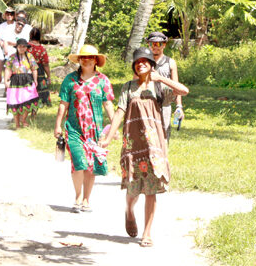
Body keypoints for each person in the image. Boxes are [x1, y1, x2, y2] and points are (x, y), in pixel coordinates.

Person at [100, 47, 189, 248]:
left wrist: (161, 79)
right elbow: (120, 112)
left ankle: (147, 233)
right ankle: (129, 211)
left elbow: (184, 91)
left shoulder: (160, 89)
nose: (141, 64)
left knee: (151, 190)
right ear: (134, 66)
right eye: (138, 62)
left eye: (145, 61)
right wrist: (108, 136)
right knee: (133, 190)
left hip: (155, 144)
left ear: (151, 65)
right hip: (133, 144)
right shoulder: (128, 87)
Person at [54, 45, 115, 213]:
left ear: (96, 60)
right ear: (79, 60)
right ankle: (78, 196)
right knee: (78, 162)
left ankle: (87, 199)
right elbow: (63, 105)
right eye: (83, 57)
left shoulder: (103, 80)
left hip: (95, 131)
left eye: (90, 57)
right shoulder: (70, 80)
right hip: (74, 128)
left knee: (91, 165)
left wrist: (114, 126)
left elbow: (108, 104)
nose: (86, 60)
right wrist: (58, 125)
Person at [147, 31, 183, 139]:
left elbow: (176, 86)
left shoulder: (170, 62)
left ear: (164, 45)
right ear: (148, 45)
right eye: (153, 44)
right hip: (147, 105)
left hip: (165, 105)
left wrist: (179, 107)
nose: (156, 47)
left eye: (159, 44)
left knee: (163, 138)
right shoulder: (143, 62)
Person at [4, 38, 39, 128]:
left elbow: (34, 69)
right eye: (20, 46)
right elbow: (7, 69)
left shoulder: (30, 56)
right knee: (15, 102)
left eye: (24, 47)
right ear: (17, 47)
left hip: (27, 80)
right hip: (15, 81)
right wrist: (6, 81)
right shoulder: (12, 57)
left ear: (27, 47)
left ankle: (23, 120)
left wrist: (35, 80)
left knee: (28, 100)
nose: (22, 48)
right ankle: (17, 124)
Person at [29, 27, 51, 108]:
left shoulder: (26, 47)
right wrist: (48, 76)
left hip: (27, 70)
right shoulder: (42, 49)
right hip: (40, 71)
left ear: (30, 35)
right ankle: (40, 103)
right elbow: (45, 64)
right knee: (39, 89)